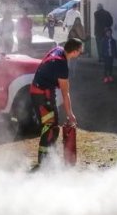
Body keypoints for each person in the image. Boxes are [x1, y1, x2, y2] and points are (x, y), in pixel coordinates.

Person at [30, 39, 83, 167]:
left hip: (39, 91)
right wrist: (70, 114)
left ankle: (49, 158)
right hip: (43, 95)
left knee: (51, 125)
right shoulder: (62, 65)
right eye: (80, 52)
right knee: (50, 127)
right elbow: (65, 93)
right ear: (74, 52)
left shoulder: (58, 49)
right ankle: (44, 163)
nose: (80, 54)